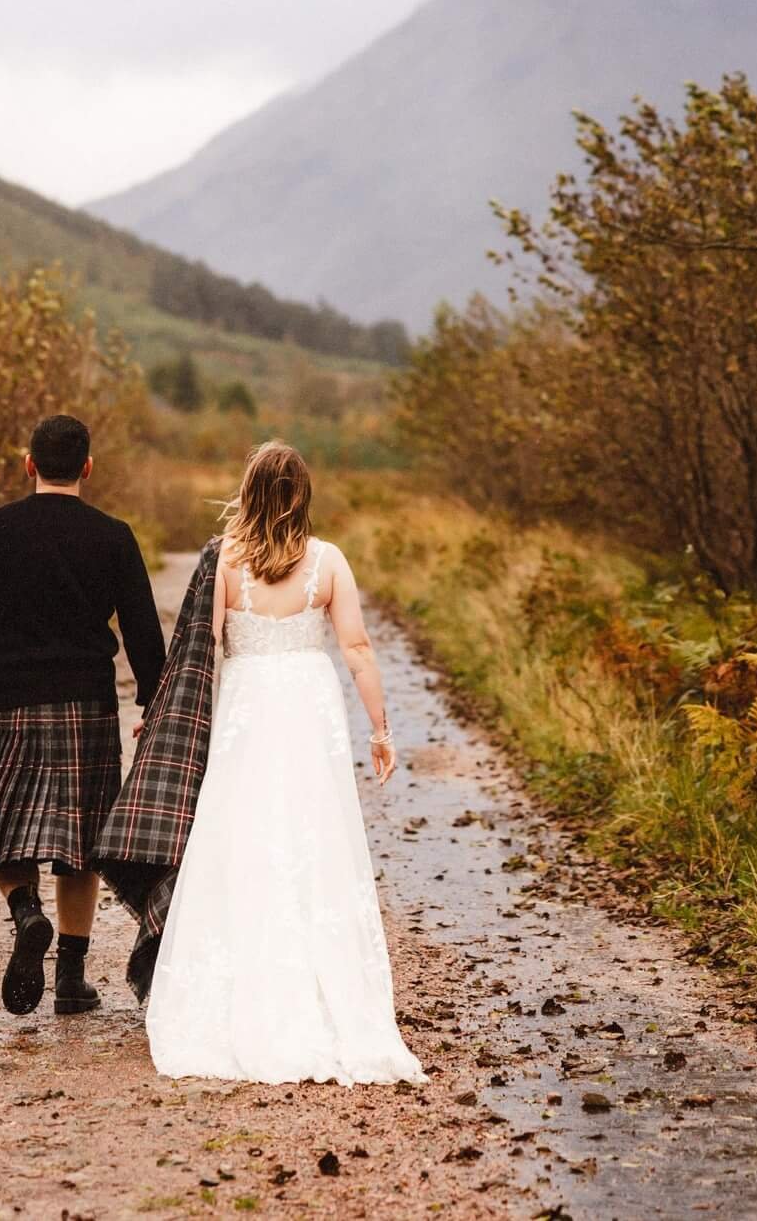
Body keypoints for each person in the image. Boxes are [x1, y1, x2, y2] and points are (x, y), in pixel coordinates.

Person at [139, 440, 424, 1084]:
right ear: (304, 494)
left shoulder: (226, 564)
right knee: (312, 837)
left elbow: (200, 654)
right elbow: (356, 648)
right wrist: (380, 729)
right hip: (306, 708)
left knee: (239, 836)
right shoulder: (328, 562)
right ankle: (322, 992)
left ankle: (239, 989)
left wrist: (165, 719)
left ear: (248, 491)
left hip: (247, 706)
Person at [0, 413, 165, 1016]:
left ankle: (26, 914)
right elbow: (144, 631)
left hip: (15, 699)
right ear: (87, 468)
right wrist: (155, 698)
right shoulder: (113, 535)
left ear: (29, 464)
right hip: (88, 705)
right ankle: (70, 976)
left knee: (5, 826)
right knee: (82, 842)